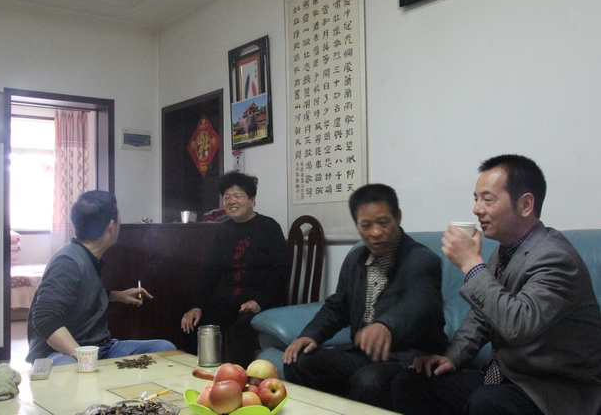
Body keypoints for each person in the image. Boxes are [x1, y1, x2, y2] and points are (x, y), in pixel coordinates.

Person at [391, 154, 601, 415]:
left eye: (487, 199)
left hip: (550, 389)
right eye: (476, 199)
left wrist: (471, 264)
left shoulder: (555, 257)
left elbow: (518, 325)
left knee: (488, 402)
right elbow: (482, 316)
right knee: (411, 384)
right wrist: (451, 358)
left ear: (525, 204)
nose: (477, 209)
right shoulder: (504, 251)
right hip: (505, 379)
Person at [282, 184, 449, 410]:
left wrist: (386, 325)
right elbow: (339, 306)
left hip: (410, 357)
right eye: (366, 225)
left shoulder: (421, 258)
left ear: (398, 217)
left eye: (383, 222)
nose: (375, 232)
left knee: (369, 381)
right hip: (364, 355)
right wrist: (311, 335)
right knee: (298, 362)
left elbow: (419, 303)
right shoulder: (356, 259)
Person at [26, 190, 176, 365]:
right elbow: (44, 317)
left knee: (165, 348)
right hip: (60, 353)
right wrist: (82, 356)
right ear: (111, 226)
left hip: (102, 348)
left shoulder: (88, 255)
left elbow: (79, 294)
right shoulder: (67, 261)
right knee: (67, 367)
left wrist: (118, 295)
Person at [180, 171, 290, 366]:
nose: (231, 201)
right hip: (231, 299)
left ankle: (240, 378)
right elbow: (212, 271)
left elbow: (281, 270)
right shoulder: (223, 230)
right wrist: (197, 306)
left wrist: (260, 301)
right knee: (194, 326)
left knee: (242, 328)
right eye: (227, 197)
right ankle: (199, 375)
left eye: (238, 196)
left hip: (263, 298)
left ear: (252, 200)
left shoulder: (269, 227)